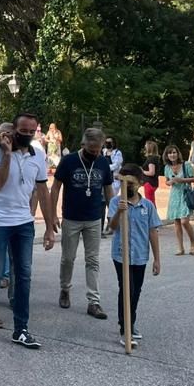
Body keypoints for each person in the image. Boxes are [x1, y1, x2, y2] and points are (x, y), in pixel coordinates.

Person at [0, 113, 56, 347]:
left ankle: (21, 328)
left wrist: (49, 227)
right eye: (23, 130)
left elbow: (42, 192)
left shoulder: (38, 156)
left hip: (23, 222)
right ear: (13, 129)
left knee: (23, 276)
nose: (27, 135)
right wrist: (8, 153)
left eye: (32, 131)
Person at [50, 128, 112, 320]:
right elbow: (55, 187)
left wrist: (114, 214)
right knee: (68, 258)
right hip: (71, 217)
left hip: (94, 218)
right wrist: (52, 215)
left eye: (98, 150)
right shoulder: (69, 161)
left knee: (93, 260)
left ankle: (93, 301)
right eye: (92, 150)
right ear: (83, 144)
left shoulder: (103, 162)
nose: (95, 154)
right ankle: (65, 289)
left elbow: (108, 189)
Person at [106, 164, 161, 347]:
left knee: (135, 291)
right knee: (126, 289)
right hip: (121, 255)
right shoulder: (116, 202)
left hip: (140, 255)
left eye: (129, 182)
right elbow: (111, 228)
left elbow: (153, 231)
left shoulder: (148, 206)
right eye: (122, 181)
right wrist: (119, 212)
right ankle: (125, 329)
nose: (126, 186)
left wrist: (157, 259)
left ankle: (131, 322)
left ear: (139, 183)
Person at [164, 145, 194, 256]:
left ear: (177, 153)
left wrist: (181, 180)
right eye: (170, 153)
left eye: (174, 152)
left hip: (185, 194)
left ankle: (193, 242)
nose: (172, 155)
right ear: (167, 155)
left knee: (184, 221)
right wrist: (170, 182)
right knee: (177, 222)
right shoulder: (167, 167)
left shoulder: (186, 165)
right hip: (174, 195)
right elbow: (166, 181)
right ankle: (180, 247)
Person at [102, 137, 123, 236]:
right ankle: (108, 223)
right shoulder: (103, 151)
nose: (108, 144)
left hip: (114, 180)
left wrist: (105, 168)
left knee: (111, 202)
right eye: (107, 142)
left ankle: (111, 225)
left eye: (110, 142)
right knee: (104, 203)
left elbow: (116, 165)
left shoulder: (118, 153)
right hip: (104, 179)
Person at [142, 140, 162, 205]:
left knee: (149, 203)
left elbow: (151, 172)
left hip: (149, 183)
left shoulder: (151, 159)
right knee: (151, 202)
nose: (145, 147)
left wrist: (141, 171)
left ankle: (152, 214)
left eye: (146, 146)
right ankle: (154, 214)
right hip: (153, 183)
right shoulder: (155, 158)